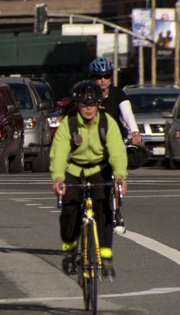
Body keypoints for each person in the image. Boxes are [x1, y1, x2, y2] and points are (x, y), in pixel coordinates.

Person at [50, 80, 128, 279]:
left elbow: (117, 151)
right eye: (84, 105)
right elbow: (59, 153)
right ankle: (69, 252)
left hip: (99, 169)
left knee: (104, 208)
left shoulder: (106, 122)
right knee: (69, 209)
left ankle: (106, 257)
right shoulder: (69, 123)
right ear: (77, 105)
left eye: (92, 105)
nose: (88, 109)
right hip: (75, 170)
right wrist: (58, 178)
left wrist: (120, 175)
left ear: (98, 105)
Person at [88, 58, 142, 145]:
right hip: (91, 139)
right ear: (93, 78)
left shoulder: (118, 93)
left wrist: (135, 132)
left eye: (106, 76)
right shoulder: (87, 94)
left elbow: (127, 114)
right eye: (99, 77)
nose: (103, 80)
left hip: (114, 138)